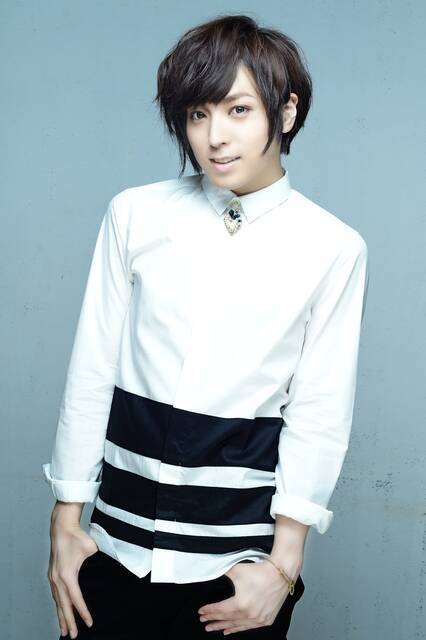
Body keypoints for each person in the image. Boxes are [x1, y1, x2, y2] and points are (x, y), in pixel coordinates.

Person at [42, 13, 369, 640]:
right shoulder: (136, 214)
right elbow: (91, 370)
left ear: (287, 112)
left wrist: (284, 565)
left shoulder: (332, 246)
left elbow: (320, 410)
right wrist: (65, 520)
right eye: (198, 114)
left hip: (238, 568)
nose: (215, 137)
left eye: (238, 110)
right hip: (114, 550)